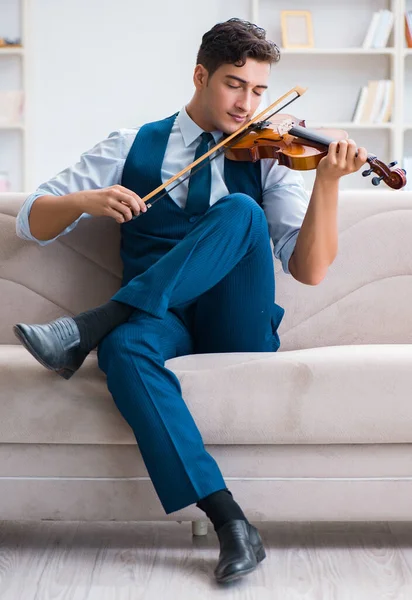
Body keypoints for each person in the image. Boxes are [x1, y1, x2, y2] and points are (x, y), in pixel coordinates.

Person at [13, 18, 367, 584]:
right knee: (124, 351)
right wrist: (86, 199)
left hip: (238, 322)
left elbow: (310, 270)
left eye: (258, 90)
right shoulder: (132, 144)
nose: (247, 103)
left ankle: (96, 322)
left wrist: (327, 183)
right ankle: (230, 522)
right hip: (163, 320)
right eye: (234, 84)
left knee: (241, 212)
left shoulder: (270, 157)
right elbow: (31, 219)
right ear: (201, 75)